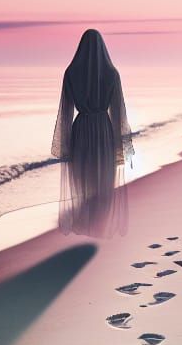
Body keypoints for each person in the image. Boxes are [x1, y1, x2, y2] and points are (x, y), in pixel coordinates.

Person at [51, 29, 133, 237]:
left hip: (81, 130)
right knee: (104, 179)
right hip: (103, 129)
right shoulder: (111, 74)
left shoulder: (71, 73)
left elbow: (66, 111)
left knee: (83, 179)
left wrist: (66, 143)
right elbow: (118, 112)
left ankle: (87, 222)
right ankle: (100, 224)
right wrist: (121, 143)